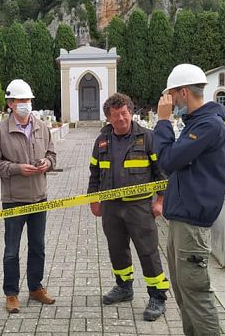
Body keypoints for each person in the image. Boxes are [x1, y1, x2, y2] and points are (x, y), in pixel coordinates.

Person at [152, 64, 225, 335]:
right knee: (184, 293)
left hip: (192, 224)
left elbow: (168, 161)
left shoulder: (207, 125)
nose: (168, 102)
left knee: (196, 293)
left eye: (170, 96)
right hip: (182, 218)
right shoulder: (195, 124)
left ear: (183, 93)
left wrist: (162, 122)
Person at [87, 93, 169, 321]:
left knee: (148, 251)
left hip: (139, 206)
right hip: (111, 208)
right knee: (117, 249)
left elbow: (161, 173)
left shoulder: (147, 137)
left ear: (131, 112)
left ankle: (157, 296)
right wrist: (93, 199)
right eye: (116, 115)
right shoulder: (102, 141)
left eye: (124, 113)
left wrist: (160, 200)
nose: (121, 118)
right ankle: (124, 287)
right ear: (109, 118)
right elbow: (94, 172)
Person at [0, 79, 57, 314]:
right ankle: (11, 293)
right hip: (14, 200)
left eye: (28, 100)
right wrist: (18, 169)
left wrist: (46, 163)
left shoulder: (41, 126)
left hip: (39, 197)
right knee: (11, 250)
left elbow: (52, 154)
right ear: (10, 103)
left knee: (38, 246)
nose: (25, 104)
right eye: (20, 100)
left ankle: (36, 288)